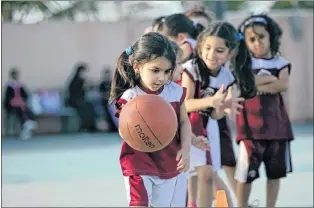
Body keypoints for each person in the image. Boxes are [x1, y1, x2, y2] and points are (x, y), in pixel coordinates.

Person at [109, 32, 191, 207]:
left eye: (166, 71)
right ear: (138, 66)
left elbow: (184, 121)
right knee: (139, 203)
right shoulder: (132, 97)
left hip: (168, 161)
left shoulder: (174, 92)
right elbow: (124, 129)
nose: (161, 77)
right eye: (155, 70)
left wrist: (186, 149)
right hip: (138, 161)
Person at [235, 14, 294, 208]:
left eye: (261, 36)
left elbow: (283, 85)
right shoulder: (243, 64)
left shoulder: (280, 63)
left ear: (271, 37)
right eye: (251, 39)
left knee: (275, 173)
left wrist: (255, 84)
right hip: (250, 130)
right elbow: (246, 84)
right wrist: (270, 81)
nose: (257, 42)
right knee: (245, 175)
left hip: (277, 127)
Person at [4, 68, 37, 139]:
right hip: (12, 106)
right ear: (12, 76)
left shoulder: (20, 85)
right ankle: (25, 125)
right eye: (14, 75)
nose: (15, 76)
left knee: (28, 109)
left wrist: (21, 99)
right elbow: (7, 99)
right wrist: (14, 101)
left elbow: (26, 95)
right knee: (20, 109)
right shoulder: (9, 86)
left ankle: (30, 121)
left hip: (21, 104)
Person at [67, 63, 97, 132]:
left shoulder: (81, 80)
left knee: (90, 106)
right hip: (74, 101)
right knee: (85, 107)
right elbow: (74, 93)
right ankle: (85, 126)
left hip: (80, 100)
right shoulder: (75, 81)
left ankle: (91, 126)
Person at [99, 66, 116, 132]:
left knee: (114, 115)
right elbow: (101, 94)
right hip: (105, 102)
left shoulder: (112, 83)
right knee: (107, 116)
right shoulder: (102, 84)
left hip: (112, 102)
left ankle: (114, 127)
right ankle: (109, 128)